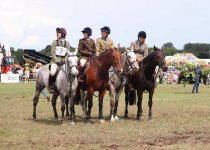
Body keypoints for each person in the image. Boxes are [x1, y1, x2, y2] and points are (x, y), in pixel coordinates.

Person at [49, 27, 71, 93]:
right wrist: (56, 61)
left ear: (63, 34)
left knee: (72, 70)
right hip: (55, 61)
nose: (57, 33)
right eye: (57, 32)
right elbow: (52, 52)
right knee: (52, 72)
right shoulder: (54, 42)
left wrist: (64, 60)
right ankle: (51, 85)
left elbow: (68, 53)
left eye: (59, 32)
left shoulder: (67, 43)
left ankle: (71, 85)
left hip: (64, 61)